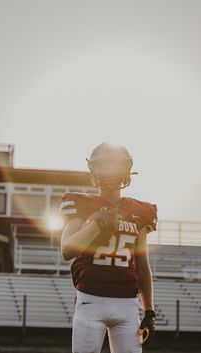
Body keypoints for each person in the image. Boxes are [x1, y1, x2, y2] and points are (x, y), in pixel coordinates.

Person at [60, 143, 157, 353]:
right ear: (94, 170)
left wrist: (149, 310)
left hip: (127, 304)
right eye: (105, 167)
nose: (110, 173)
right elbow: (67, 250)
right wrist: (96, 224)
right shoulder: (81, 203)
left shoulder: (140, 210)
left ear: (126, 170)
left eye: (115, 166)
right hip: (90, 301)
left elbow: (142, 266)